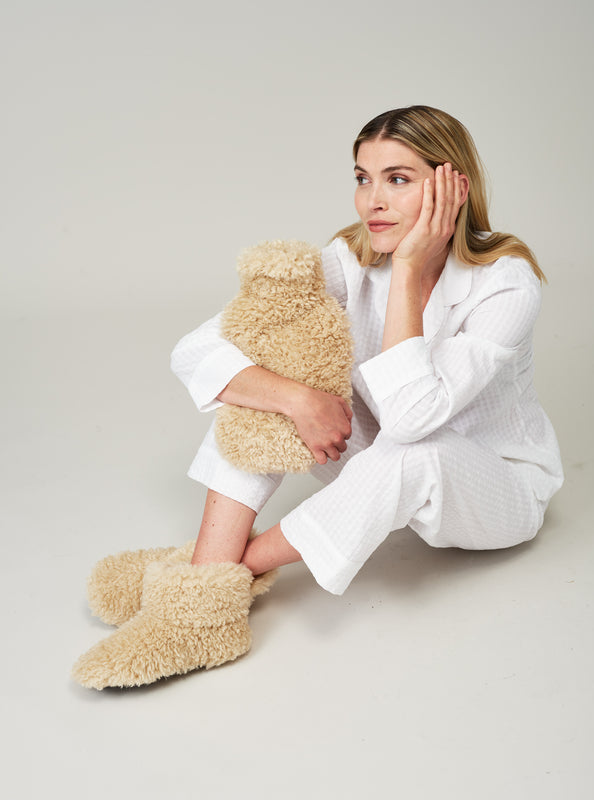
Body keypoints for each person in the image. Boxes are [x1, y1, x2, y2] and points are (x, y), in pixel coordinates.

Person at [72, 105, 563, 690]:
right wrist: (297, 399)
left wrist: (407, 271)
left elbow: (411, 423)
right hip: (378, 464)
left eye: (398, 179)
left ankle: (202, 579)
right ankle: (204, 607)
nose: (372, 200)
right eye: (362, 178)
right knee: (268, 380)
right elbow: (197, 348)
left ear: (452, 186)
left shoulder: (505, 280)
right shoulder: (349, 259)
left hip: (494, 489)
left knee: (413, 451)